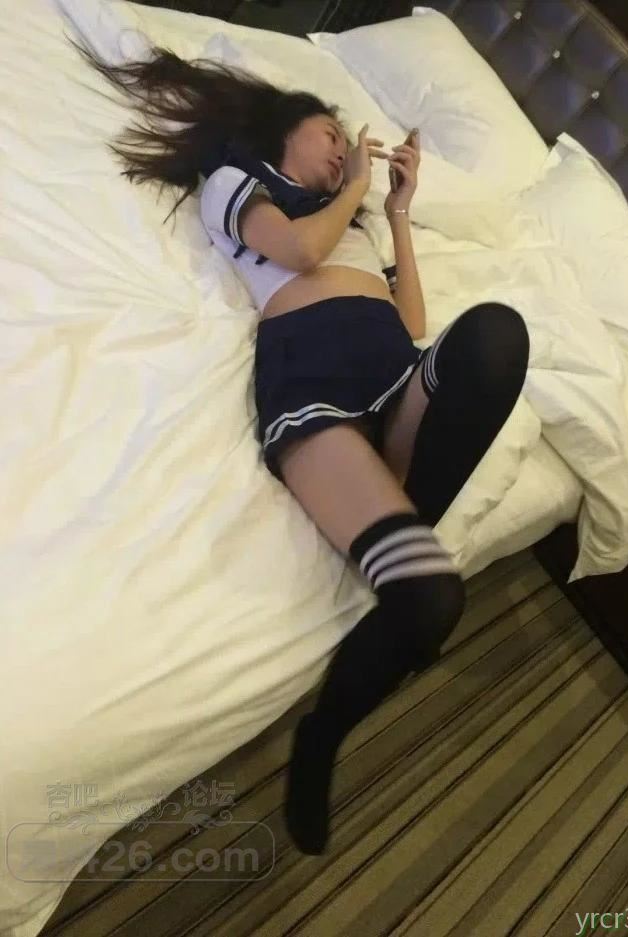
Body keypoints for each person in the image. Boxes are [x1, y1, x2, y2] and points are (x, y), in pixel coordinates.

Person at [73, 39, 530, 855]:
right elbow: (299, 255)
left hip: (392, 376)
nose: (342, 150)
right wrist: (355, 185)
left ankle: (395, 525)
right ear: (284, 133)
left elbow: (412, 322)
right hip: (314, 385)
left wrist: (394, 212)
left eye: (344, 144)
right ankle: (324, 731)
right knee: (434, 599)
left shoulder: (353, 220)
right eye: (330, 135)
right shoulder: (239, 184)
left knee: (498, 333)